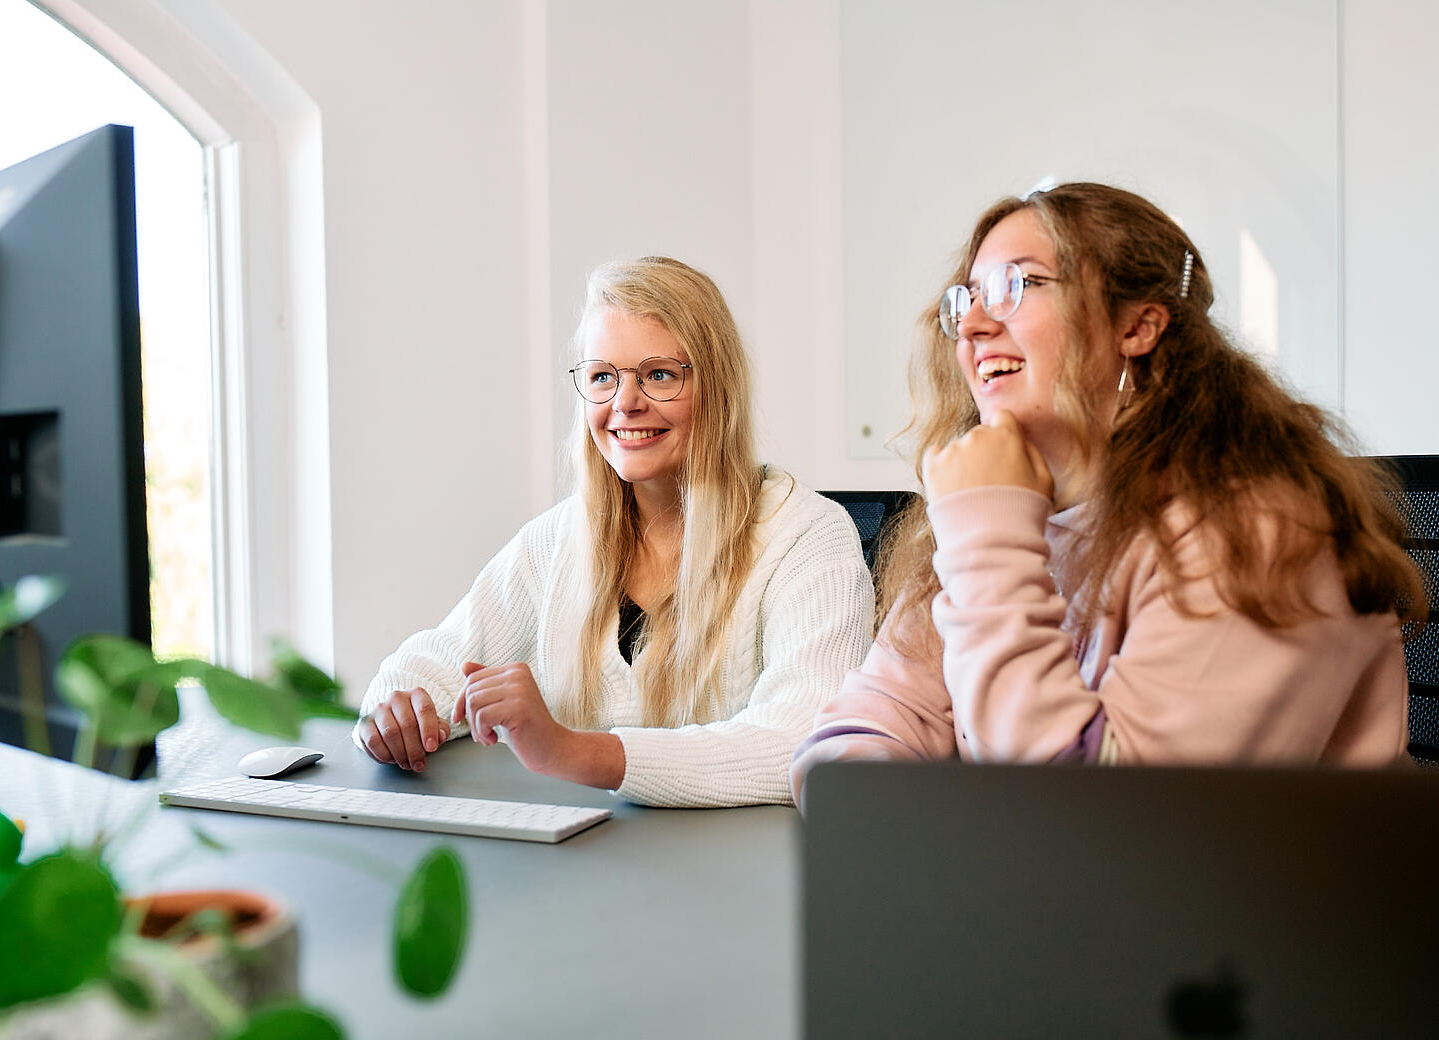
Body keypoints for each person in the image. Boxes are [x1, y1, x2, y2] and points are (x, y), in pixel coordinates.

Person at [791, 183, 1422, 804]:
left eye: (1018, 285)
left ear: (1138, 326)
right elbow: (864, 728)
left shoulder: (1260, 527)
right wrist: (879, 819)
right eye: (968, 299)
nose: (973, 327)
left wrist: (988, 538)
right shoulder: (1004, 513)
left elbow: (1108, 820)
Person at [356, 256, 874, 807]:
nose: (625, 403)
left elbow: (803, 743)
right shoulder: (554, 542)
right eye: (603, 376)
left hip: (741, 876)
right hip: (585, 867)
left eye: (658, 374)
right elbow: (437, 661)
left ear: (717, 388)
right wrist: (397, 710)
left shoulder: (811, 538)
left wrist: (575, 752)